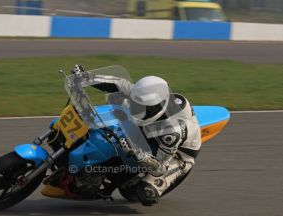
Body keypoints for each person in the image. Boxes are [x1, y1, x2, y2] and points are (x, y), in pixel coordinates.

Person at [74, 65, 202, 206]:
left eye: (142, 108)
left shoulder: (172, 132)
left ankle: (132, 179)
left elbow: (159, 167)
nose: (137, 109)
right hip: (150, 132)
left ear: (157, 107)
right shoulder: (146, 96)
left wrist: (139, 155)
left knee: (146, 194)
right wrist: (85, 77)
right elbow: (117, 83)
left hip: (176, 156)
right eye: (137, 104)